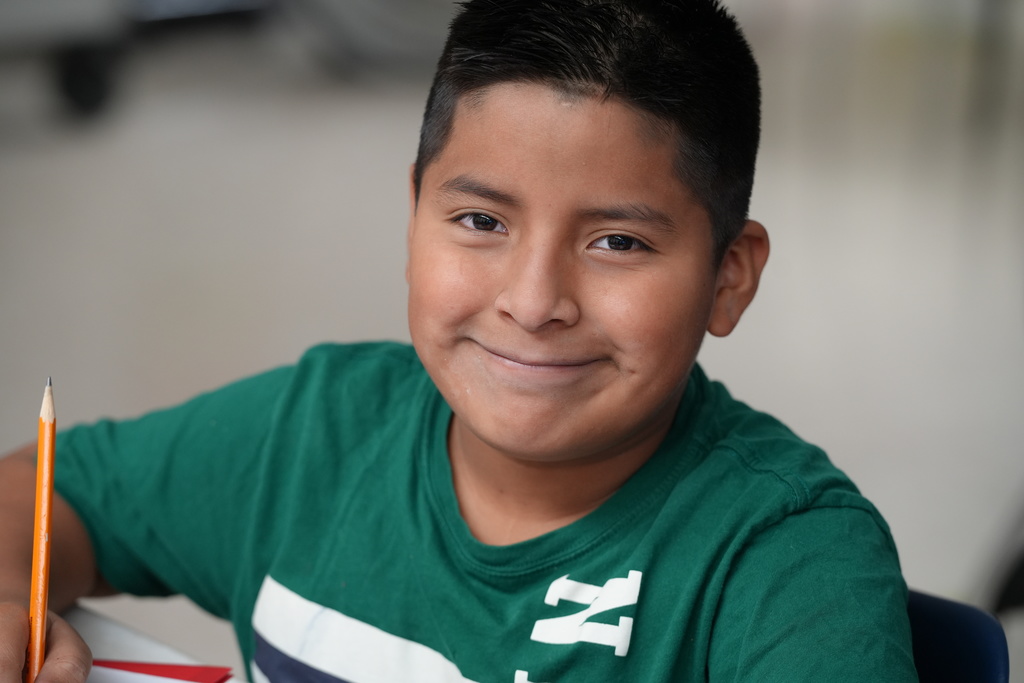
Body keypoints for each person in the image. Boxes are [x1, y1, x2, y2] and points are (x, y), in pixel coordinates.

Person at [0, 1, 919, 681]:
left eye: (618, 242)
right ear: (413, 217)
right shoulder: (313, 433)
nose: (532, 300)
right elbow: (47, 495)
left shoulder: (789, 561)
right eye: (481, 221)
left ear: (729, 275)